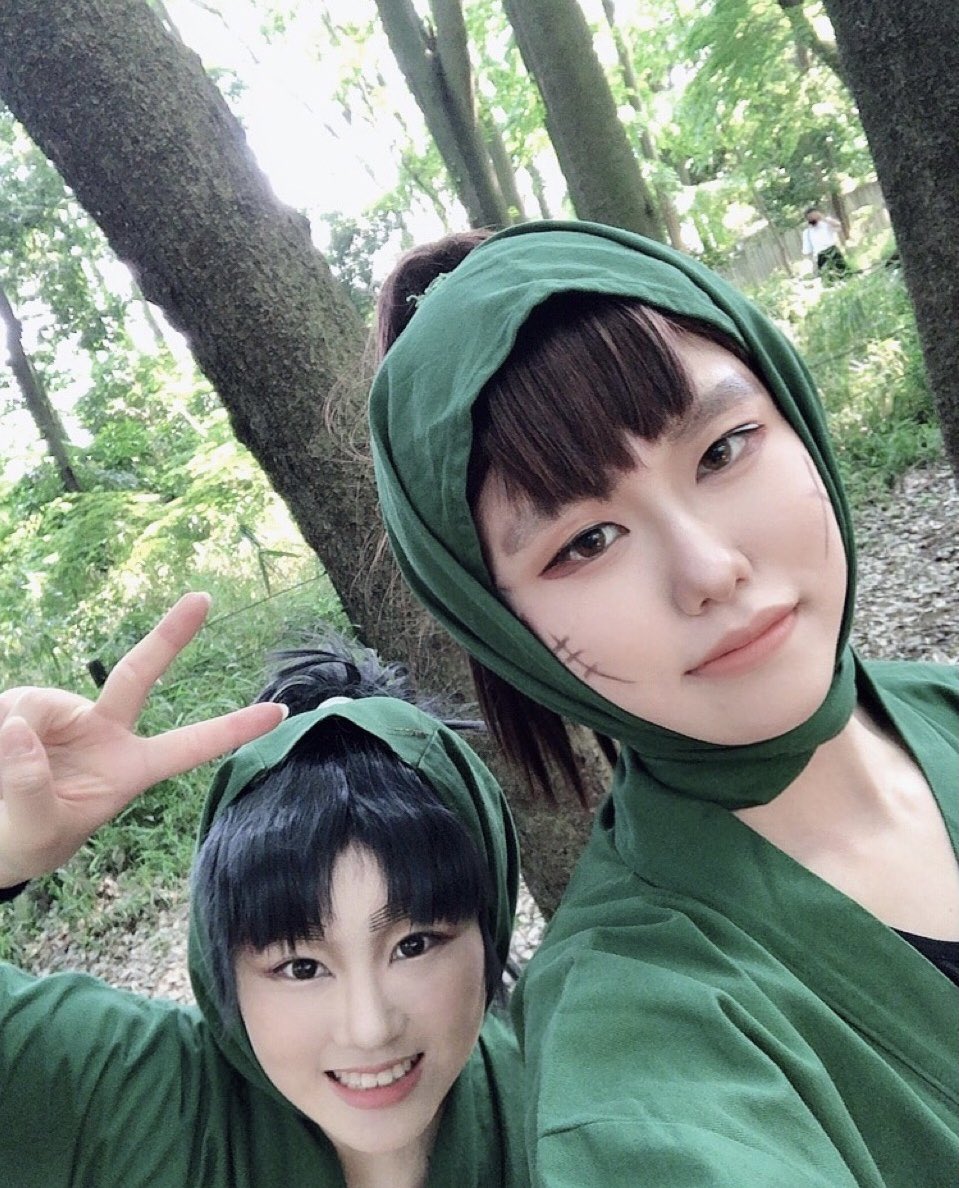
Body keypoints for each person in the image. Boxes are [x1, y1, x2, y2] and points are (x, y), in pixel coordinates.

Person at [369, 221, 958, 1186]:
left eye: (723, 450)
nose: (709, 570)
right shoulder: (636, 1033)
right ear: (500, 625)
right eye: (585, 543)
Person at [0, 595, 526, 1187]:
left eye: (415, 944)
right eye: (301, 967)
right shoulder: (132, 1098)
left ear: (490, 924)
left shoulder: (561, 1085)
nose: (370, 1028)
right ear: (221, 964)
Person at [802, 206, 848, 279]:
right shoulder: (807, 232)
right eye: (810, 217)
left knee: (844, 274)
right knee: (829, 279)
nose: (813, 218)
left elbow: (838, 226)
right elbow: (807, 251)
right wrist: (814, 264)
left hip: (833, 250)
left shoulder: (825, 224)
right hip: (821, 255)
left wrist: (823, 218)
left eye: (814, 215)